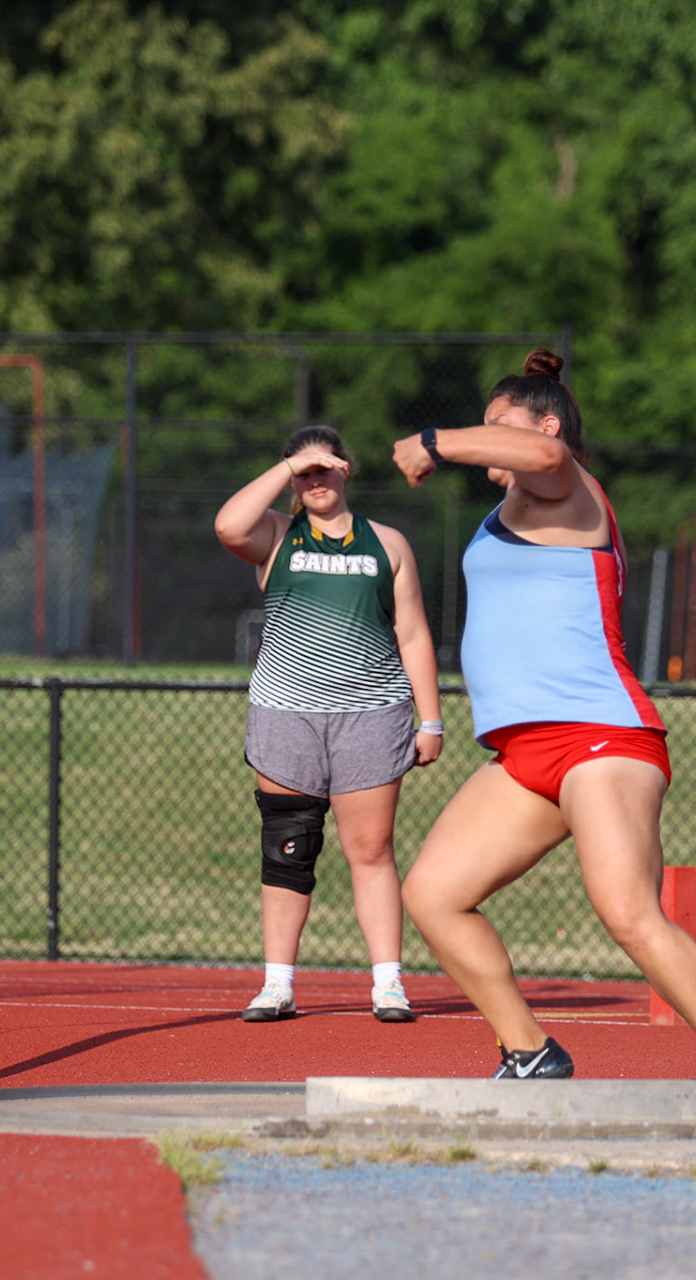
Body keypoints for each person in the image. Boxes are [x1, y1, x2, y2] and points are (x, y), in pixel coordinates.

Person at [391, 349, 696, 1080]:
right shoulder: (507, 512)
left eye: (497, 425)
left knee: (628, 912)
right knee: (433, 895)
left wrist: (438, 439)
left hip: (602, 735)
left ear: (547, 424)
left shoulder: (568, 489)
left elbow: (539, 452)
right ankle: (530, 1049)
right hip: (526, 752)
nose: (485, 438)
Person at [213, 424, 442, 1024]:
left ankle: (388, 982)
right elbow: (227, 526)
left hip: (371, 712)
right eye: (303, 472)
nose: (314, 480)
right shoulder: (275, 534)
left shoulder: (387, 543)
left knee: (370, 850)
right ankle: (278, 985)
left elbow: (412, 632)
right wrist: (288, 468)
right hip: (287, 714)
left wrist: (432, 719)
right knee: (288, 847)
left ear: (347, 469)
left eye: (324, 468)